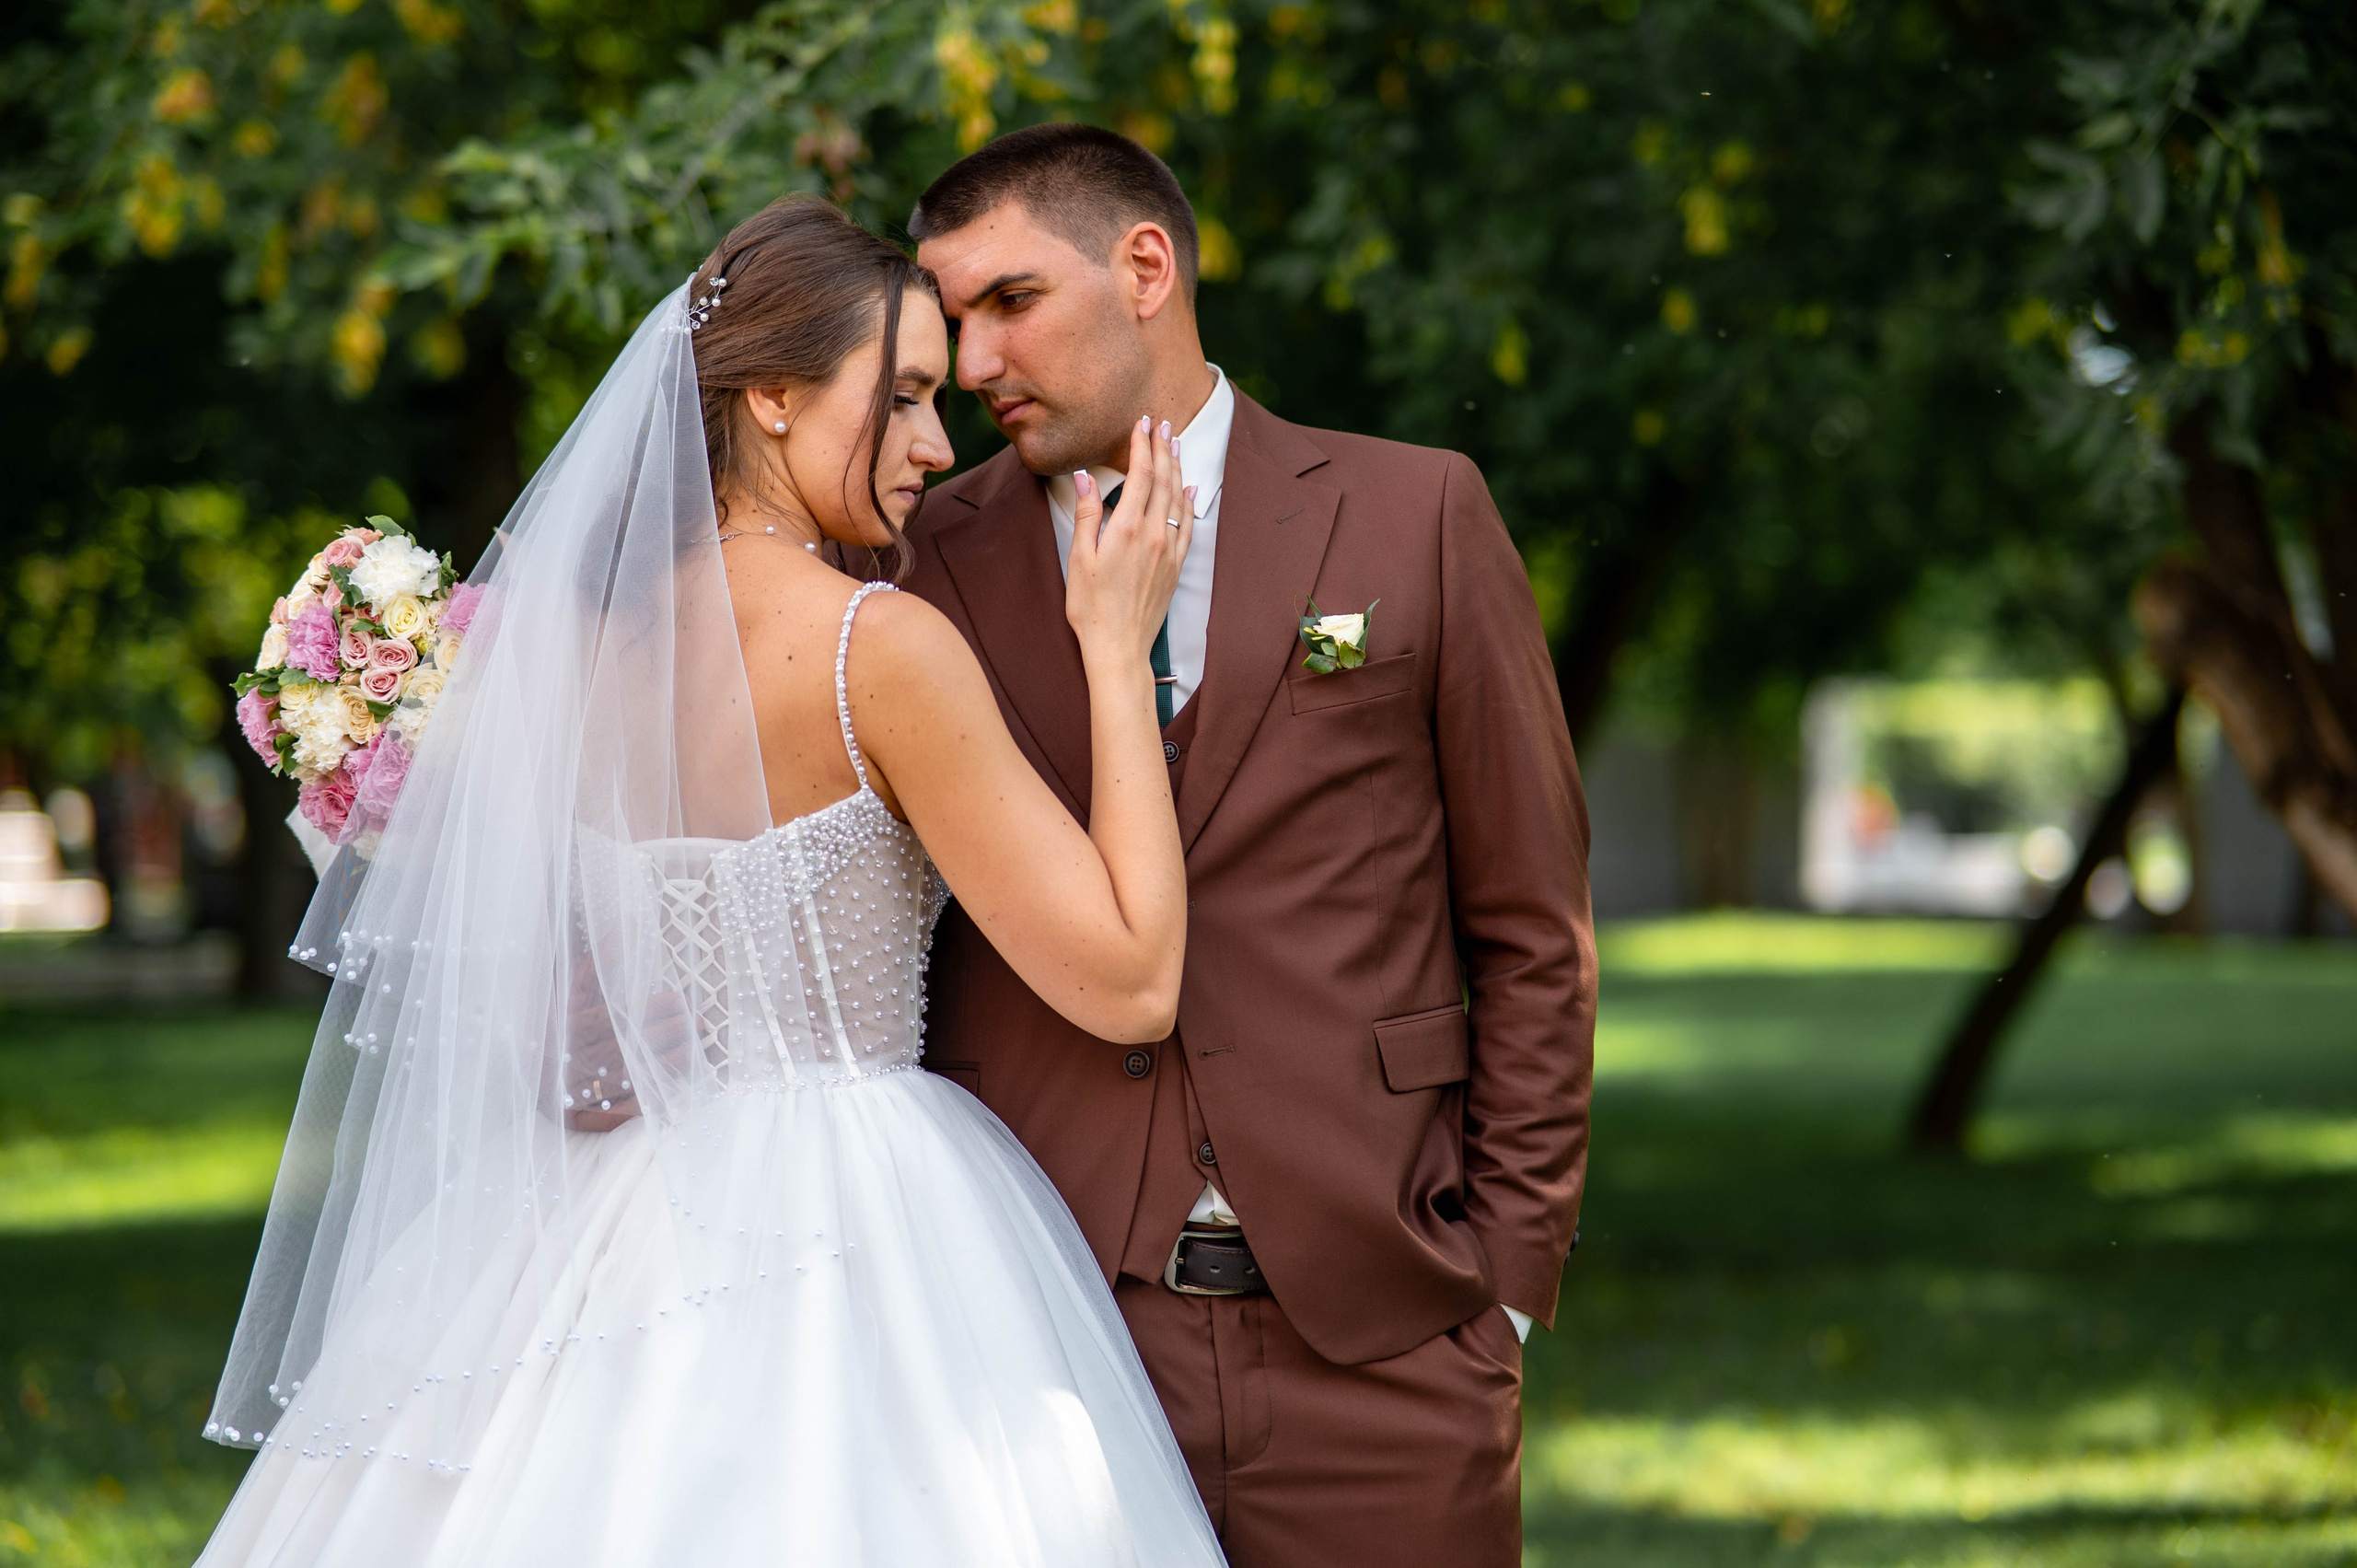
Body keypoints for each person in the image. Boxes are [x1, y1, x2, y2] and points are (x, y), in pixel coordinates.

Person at [192, 193, 1227, 1567]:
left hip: (589, 1227)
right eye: (905, 396)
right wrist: (1113, 644)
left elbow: (529, 960)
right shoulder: (879, 649)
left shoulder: (564, 651)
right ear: (778, 398)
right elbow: (1133, 979)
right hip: (855, 1219)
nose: (938, 440)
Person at [902, 124, 1596, 1567]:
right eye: (951, 317)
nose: (970, 364)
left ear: (1143, 267)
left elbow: (1532, 927)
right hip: (1043, 1338)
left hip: (1388, 1343)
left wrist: (1504, 1280)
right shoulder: (917, 564)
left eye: (1010, 302)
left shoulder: (1418, 516)